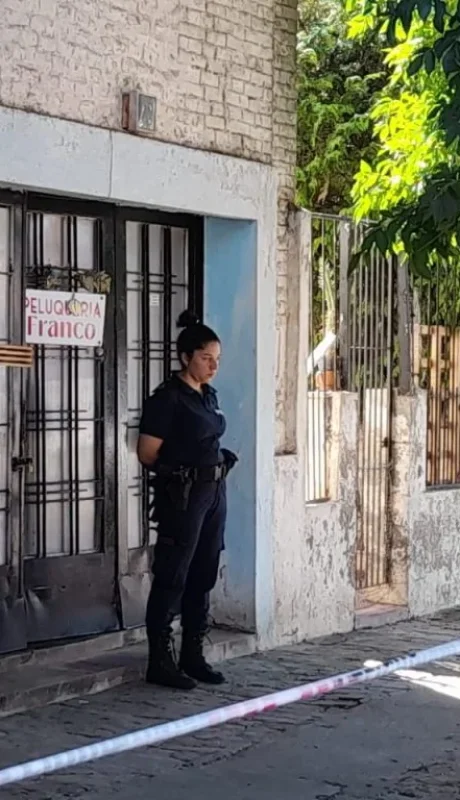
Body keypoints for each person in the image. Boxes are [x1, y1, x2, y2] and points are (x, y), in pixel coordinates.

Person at [137, 309, 238, 690]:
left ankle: (193, 655)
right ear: (185, 357)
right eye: (205, 358)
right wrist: (181, 471)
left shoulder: (207, 396)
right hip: (184, 495)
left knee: (203, 572)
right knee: (173, 574)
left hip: (213, 492)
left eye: (216, 359)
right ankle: (160, 660)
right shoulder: (168, 399)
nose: (212, 366)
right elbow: (147, 453)